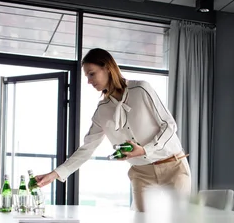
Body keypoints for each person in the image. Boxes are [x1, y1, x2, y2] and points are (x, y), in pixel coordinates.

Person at [35, 48, 191, 212]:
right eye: (87, 76)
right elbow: (87, 148)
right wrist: (54, 174)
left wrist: (145, 150)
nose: (88, 81)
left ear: (107, 68)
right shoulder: (102, 110)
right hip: (141, 174)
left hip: (173, 166)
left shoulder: (141, 90)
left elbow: (169, 125)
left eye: (91, 74)